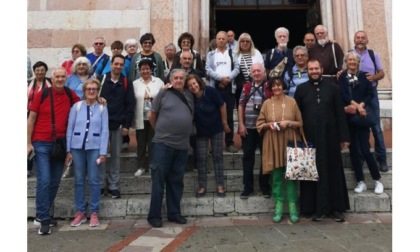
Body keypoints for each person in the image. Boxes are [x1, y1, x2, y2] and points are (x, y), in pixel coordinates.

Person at [294, 59, 350, 222]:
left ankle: (336, 208)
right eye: (311, 69)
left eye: (316, 68)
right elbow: (297, 116)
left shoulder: (332, 88)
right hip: (309, 139)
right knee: (311, 173)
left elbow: (340, 113)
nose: (314, 71)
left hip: (330, 138)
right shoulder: (301, 89)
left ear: (321, 69)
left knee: (332, 171)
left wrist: (344, 137)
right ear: (307, 71)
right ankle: (313, 208)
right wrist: (298, 138)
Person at [27, 67, 80, 235]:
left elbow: (84, 105)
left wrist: (100, 99)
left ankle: (42, 213)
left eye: (63, 76)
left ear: (66, 78)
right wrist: (27, 142)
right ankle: (43, 218)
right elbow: (31, 118)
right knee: (44, 180)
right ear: (53, 77)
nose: (60, 79)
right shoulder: (41, 94)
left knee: (55, 181)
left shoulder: (70, 94)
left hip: (60, 144)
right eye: (57, 76)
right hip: (41, 142)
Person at [147, 69, 194, 228]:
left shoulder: (188, 95)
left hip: (181, 146)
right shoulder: (163, 93)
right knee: (158, 181)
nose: (179, 80)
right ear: (170, 79)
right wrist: (159, 131)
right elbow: (152, 115)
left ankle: (174, 213)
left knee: (176, 181)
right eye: (176, 78)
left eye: (181, 78)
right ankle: (154, 215)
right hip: (163, 144)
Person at [256, 77, 302, 223]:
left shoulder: (292, 101)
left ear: (283, 86)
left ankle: (293, 206)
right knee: (276, 176)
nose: (276, 88)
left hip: (289, 140)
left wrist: (288, 122)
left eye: (279, 85)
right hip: (273, 141)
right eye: (273, 86)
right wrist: (268, 125)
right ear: (270, 88)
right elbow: (259, 123)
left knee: (291, 175)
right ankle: (279, 206)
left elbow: (300, 122)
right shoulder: (267, 103)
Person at [338, 51, 384, 195]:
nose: (351, 62)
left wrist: (361, 105)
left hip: (363, 116)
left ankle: (377, 180)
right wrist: (356, 106)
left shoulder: (365, 76)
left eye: (354, 60)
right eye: (349, 60)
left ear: (358, 62)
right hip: (350, 115)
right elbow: (343, 94)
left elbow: (370, 94)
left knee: (365, 150)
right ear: (346, 62)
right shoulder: (342, 77)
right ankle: (360, 181)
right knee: (353, 151)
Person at [66, 79, 109, 227]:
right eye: (89, 89)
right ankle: (80, 212)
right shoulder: (76, 107)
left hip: (95, 147)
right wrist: (68, 150)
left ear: (98, 91)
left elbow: (105, 131)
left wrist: (103, 152)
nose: (91, 91)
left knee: (94, 179)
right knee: (78, 180)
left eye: (94, 89)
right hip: (77, 147)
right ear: (84, 91)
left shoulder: (102, 108)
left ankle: (94, 211)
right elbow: (70, 129)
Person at [185, 74, 230, 198]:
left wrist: (225, 123)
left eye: (194, 83)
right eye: (190, 86)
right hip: (201, 130)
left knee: (217, 156)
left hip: (216, 128)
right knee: (202, 158)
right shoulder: (190, 97)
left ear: (199, 82)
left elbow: (222, 105)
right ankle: (202, 186)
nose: (193, 87)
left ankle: (220, 185)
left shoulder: (210, 91)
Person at [98, 54, 136, 198]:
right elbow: (91, 98)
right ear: (111, 64)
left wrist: (126, 125)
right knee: (101, 155)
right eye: (116, 64)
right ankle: (101, 185)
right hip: (101, 125)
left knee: (115, 157)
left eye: (121, 64)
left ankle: (114, 185)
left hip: (118, 124)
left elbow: (130, 104)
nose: (118, 66)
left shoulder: (126, 82)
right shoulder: (101, 80)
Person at [351, 30, 388, 172]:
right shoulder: (350, 55)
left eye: (363, 38)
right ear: (354, 40)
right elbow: (344, 71)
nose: (360, 40)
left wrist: (374, 77)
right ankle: (360, 158)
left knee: (376, 128)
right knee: (358, 128)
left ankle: (382, 158)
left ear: (367, 40)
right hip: (355, 95)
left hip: (371, 94)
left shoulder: (373, 55)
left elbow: (382, 73)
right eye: (358, 38)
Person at [237, 62, 272, 199]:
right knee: (248, 158)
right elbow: (240, 105)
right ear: (251, 73)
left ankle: (264, 187)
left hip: (264, 129)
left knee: (266, 158)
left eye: (259, 71)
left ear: (264, 72)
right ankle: (248, 187)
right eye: (254, 71)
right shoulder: (246, 87)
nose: (257, 73)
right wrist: (241, 124)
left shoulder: (269, 86)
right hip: (248, 129)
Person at [205, 31, 240, 153]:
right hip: (216, 87)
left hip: (229, 87)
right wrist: (220, 79)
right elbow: (208, 69)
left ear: (227, 40)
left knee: (229, 115)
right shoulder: (211, 54)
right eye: (219, 38)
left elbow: (237, 68)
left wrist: (228, 79)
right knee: (214, 115)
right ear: (216, 40)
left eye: (223, 38)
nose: (221, 40)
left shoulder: (233, 53)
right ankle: (215, 145)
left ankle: (229, 143)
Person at [132, 58, 164, 177]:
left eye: (147, 68)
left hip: (154, 118)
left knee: (153, 143)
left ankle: (152, 165)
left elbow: (163, 98)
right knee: (141, 143)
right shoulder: (135, 84)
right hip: (140, 117)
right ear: (139, 70)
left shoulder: (159, 82)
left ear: (151, 70)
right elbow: (132, 101)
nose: (145, 71)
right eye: (142, 69)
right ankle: (141, 167)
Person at [27, 61, 52, 177]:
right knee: (27, 140)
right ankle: (28, 167)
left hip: (44, 116)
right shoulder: (28, 84)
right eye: (37, 70)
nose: (40, 72)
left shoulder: (50, 83)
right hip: (29, 114)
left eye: (42, 70)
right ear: (34, 71)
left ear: (45, 71)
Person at [234, 32, 264, 108]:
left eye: (247, 41)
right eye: (242, 41)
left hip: (255, 85)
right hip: (240, 87)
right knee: (241, 107)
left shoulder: (257, 53)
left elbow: (262, 69)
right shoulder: (234, 54)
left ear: (251, 43)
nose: (245, 43)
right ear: (239, 43)